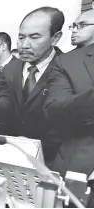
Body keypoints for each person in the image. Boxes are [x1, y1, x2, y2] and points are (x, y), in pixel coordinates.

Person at [2, 7, 64, 167]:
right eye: (21, 37)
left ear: (55, 38)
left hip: (49, 165)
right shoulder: (9, 69)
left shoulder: (69, 70)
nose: (24, 45)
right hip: (8, 158)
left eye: (34, 37)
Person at [44, 10, 94, 177]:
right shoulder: (66, 61)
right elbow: (55, 107)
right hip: (80, 160)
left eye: (82, 25)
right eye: (73, 26)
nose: (74, 30)